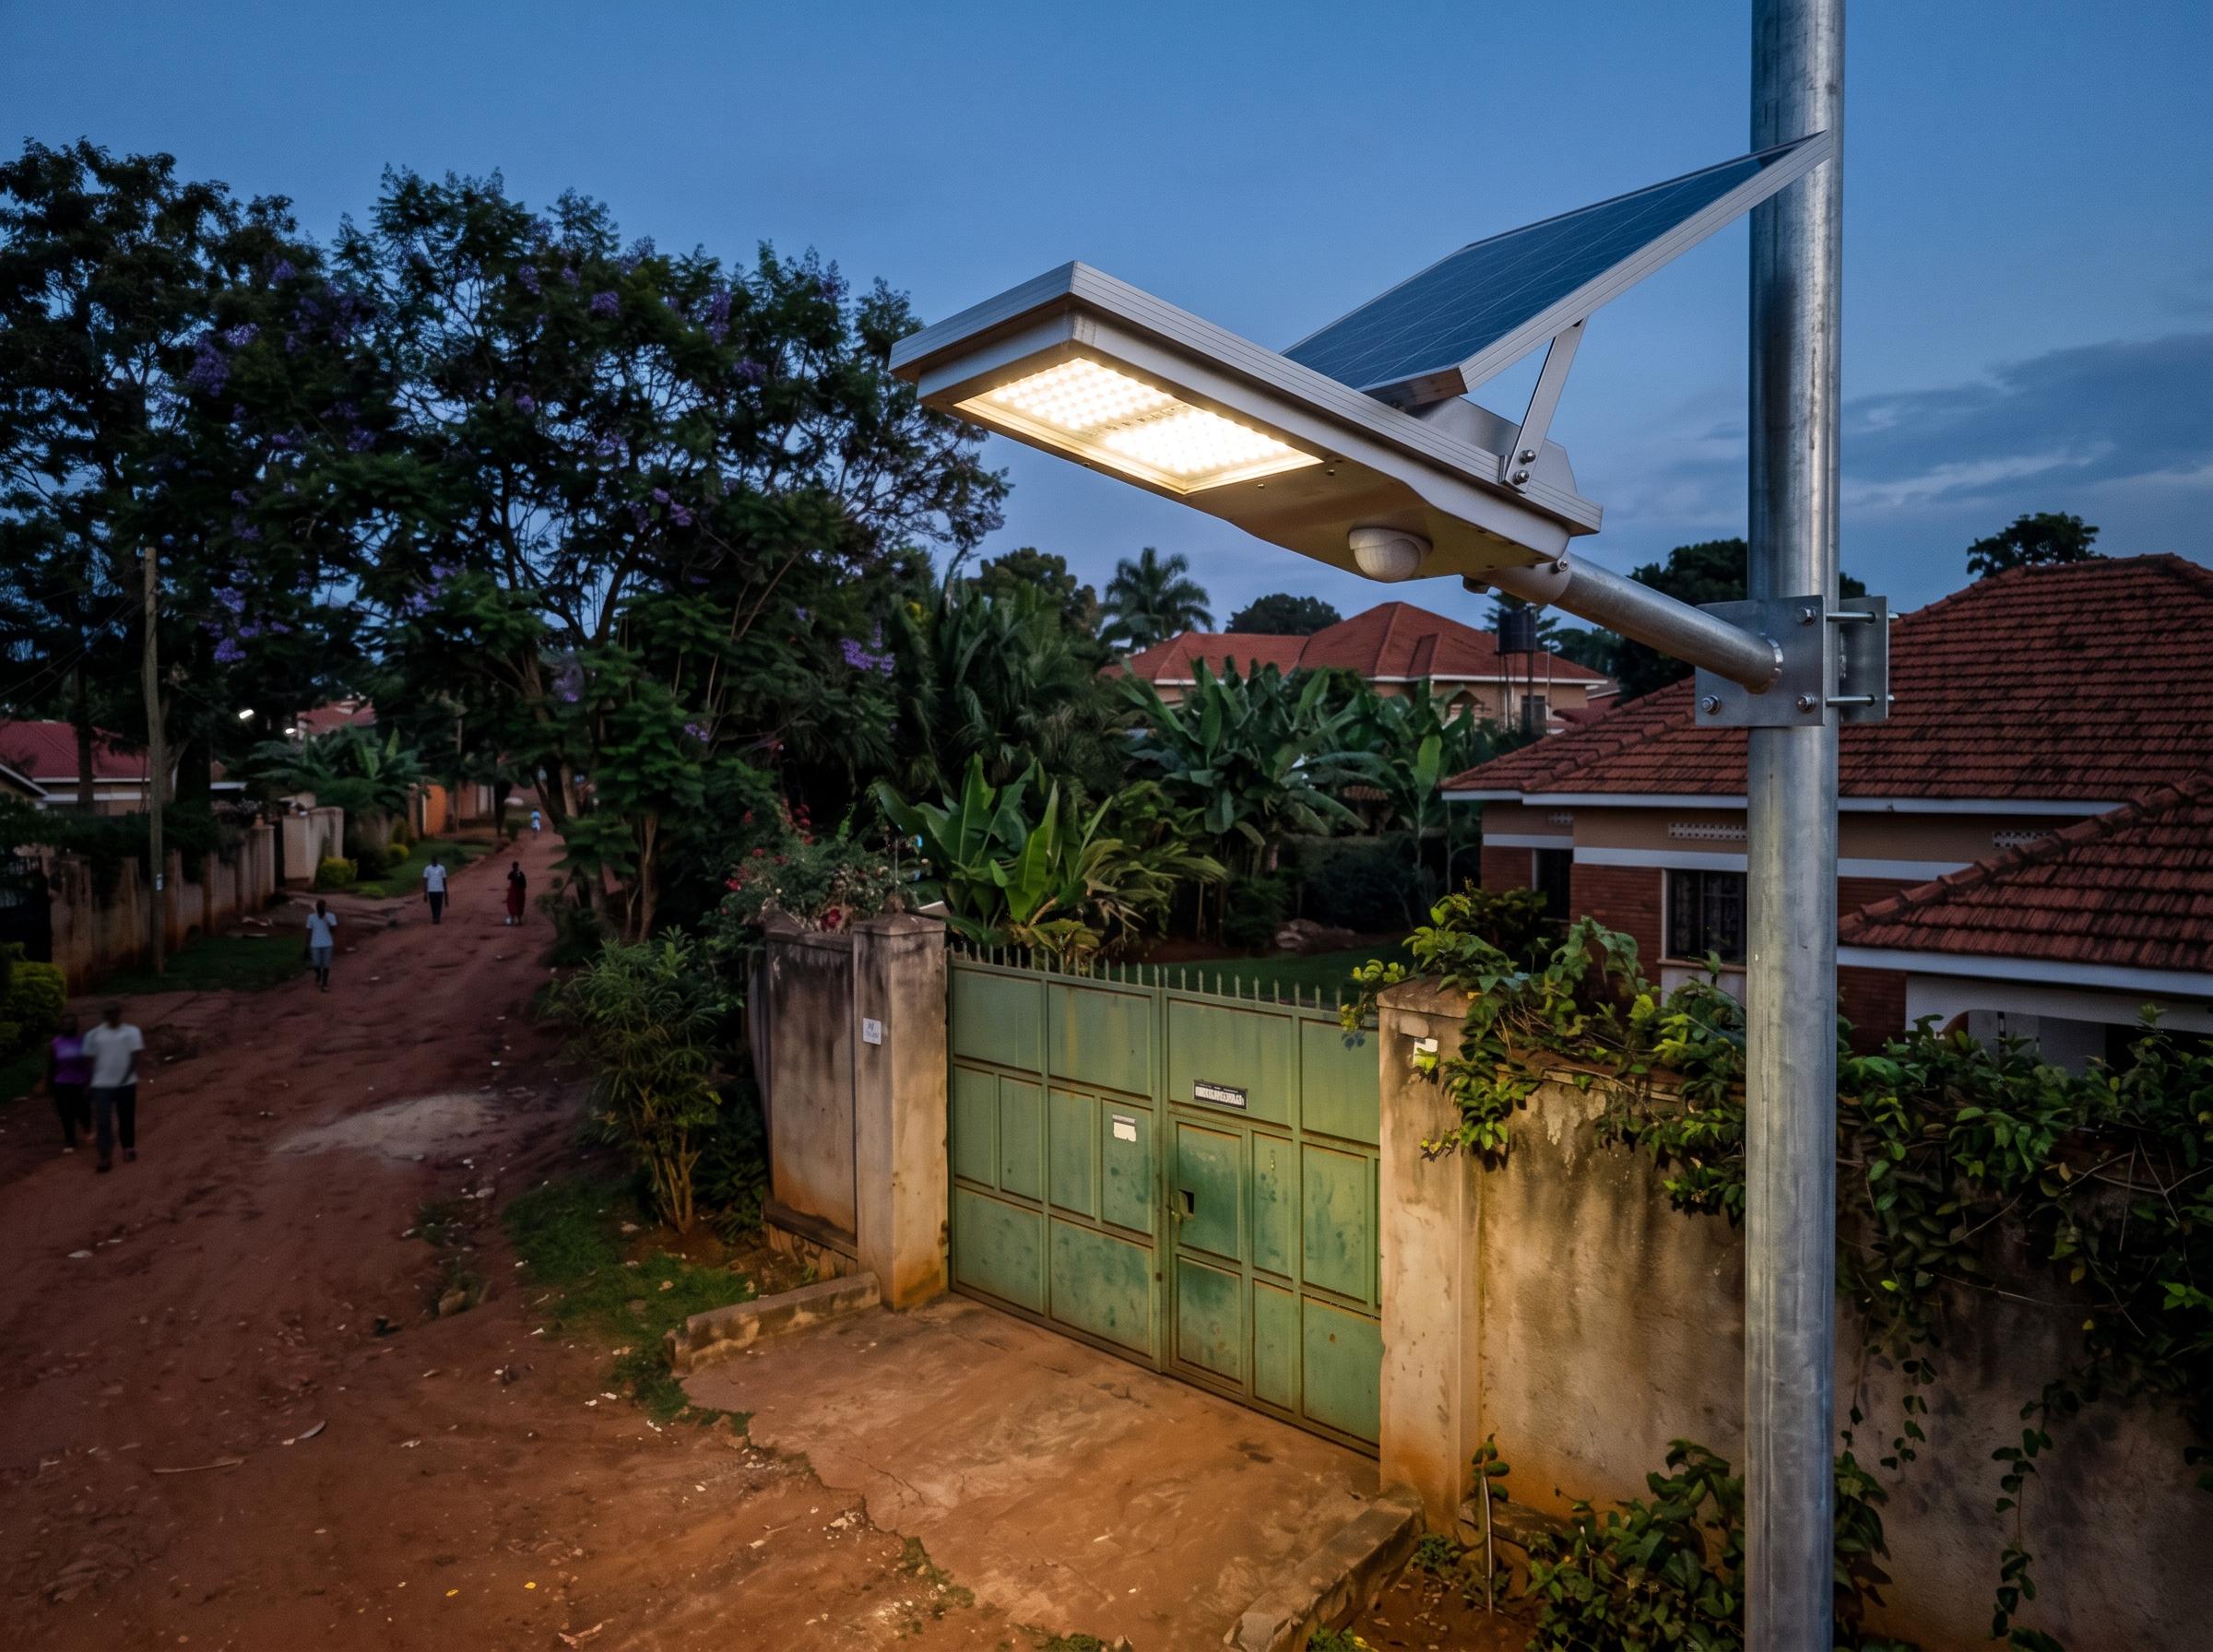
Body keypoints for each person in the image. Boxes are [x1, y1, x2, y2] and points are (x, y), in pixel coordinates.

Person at [82, 1001, 144, 1173]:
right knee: (103, 1121)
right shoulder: (93, 1035)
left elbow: (135, 1057)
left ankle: (128, 1148)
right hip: (102, 1084)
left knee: (126, 1117)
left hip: (126, 1084)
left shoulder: (132, 1032)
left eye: (114, 1013)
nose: (111, 1016)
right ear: (104, 1015)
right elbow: (89, 1061)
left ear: (119, 1013)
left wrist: (123, 1078)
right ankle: (104, 1155)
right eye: (108, 1013)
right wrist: (91, 1082)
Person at [46, 1013, 91, 1153]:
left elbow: (88, 1062)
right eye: (65, 1024)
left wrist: (91, 1080)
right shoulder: (55, 1044)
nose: (68, 1027)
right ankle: (70, 1140)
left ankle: (87, 1130)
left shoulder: (82, 1041)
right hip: (62, 1083)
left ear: (76, 1026)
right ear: (61, 1027)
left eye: (71, 1024)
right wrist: (50, 1085)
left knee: (83, 1109)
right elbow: (52, 1065)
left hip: (80, 1081)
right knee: (66, 1113)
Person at [305, 898, 338, 991]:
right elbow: (309, 931)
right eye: (318, 907)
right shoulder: (311, 917)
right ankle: (318, 974)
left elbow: (334, 931)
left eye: (321, 907)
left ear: (325, 907)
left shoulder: (330, 916)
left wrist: (328, 920)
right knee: (316, 963)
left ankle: (325, 983)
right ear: (316, 908)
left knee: (326, 964)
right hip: (315, 944)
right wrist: (306, 945)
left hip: (327, 943)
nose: (320, 909)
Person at [423, 855, 448, 925]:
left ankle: (437, 918)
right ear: (431, 861)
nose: (434, 862)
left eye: (435, 860)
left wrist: (446, 892)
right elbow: (425, 881)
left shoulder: (442, 868)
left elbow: (444, 880)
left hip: (440, 889)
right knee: (433, 905)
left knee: (439, 904)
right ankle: (434, 917)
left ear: (437, 861)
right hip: (431, 890)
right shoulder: (427, 869)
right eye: (433, 861)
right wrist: (425, 893)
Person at [503, 860, 527, 926]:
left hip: (516, 891)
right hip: (518, 891)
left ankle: (514, 921)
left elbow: (510, 878)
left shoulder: (513, 873)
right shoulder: (519, 873)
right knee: (517, 905)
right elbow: (524, 884)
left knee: (514, 905)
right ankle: (518, 921)